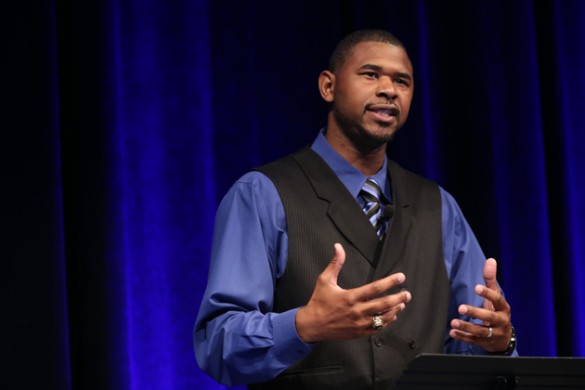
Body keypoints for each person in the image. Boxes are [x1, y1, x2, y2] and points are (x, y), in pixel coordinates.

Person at [194, 29, 517, 389]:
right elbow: (219, 343)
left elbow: (472, 343)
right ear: (328, 86)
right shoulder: (262, 194)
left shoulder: (437, 205)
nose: (388, 89)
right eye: (370, 74)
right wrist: (303, 325)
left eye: (402, 81)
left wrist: (499, 345)